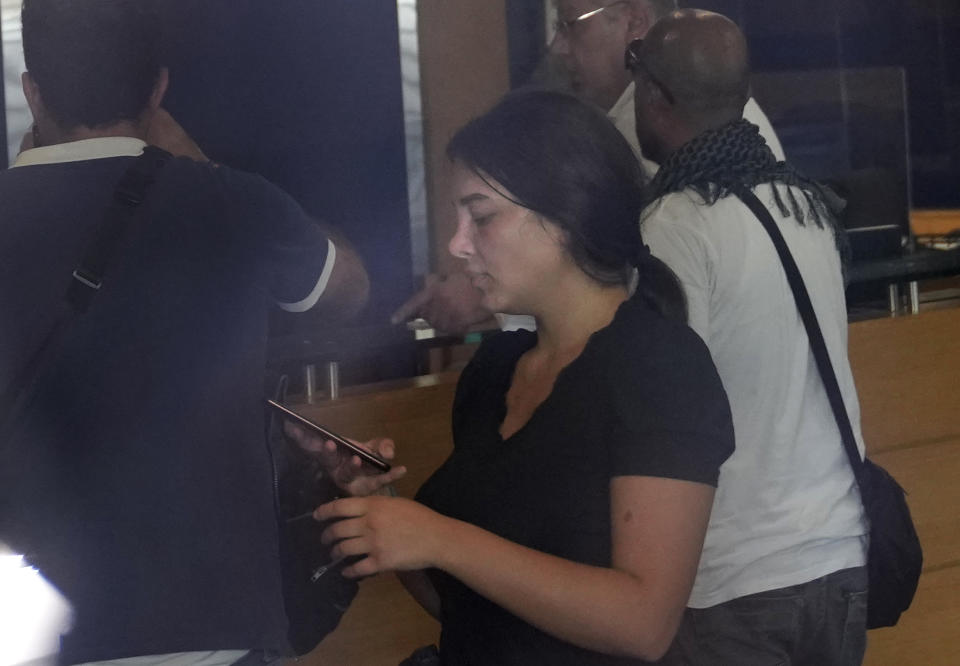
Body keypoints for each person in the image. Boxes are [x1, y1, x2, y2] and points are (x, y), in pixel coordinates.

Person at [0, 1, 403, 663]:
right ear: (158, 88)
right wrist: (194, 162)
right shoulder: (233, 203)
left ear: (32, 91)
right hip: (216, 628)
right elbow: (348, 288)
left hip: (33, 632)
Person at [313, 90, 735, 665]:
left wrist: (438, 536)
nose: (458, 245)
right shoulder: (494, 370)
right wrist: (387, 511)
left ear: (565, 214)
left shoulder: (659, 365)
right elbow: (467, 607)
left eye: (481, 216)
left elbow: (643, 623)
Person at [629, 10, 868, 665]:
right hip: (837, 560)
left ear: (654, 97)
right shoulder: (805, 208)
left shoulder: (676, 226)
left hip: (733, 584)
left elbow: (668, 416)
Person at [390, 0, 784, 334]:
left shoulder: (654, 130)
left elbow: (606, 279)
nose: (559, 46)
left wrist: (481, 295)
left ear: (633, 23)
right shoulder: (725, 122)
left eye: (568, 26)